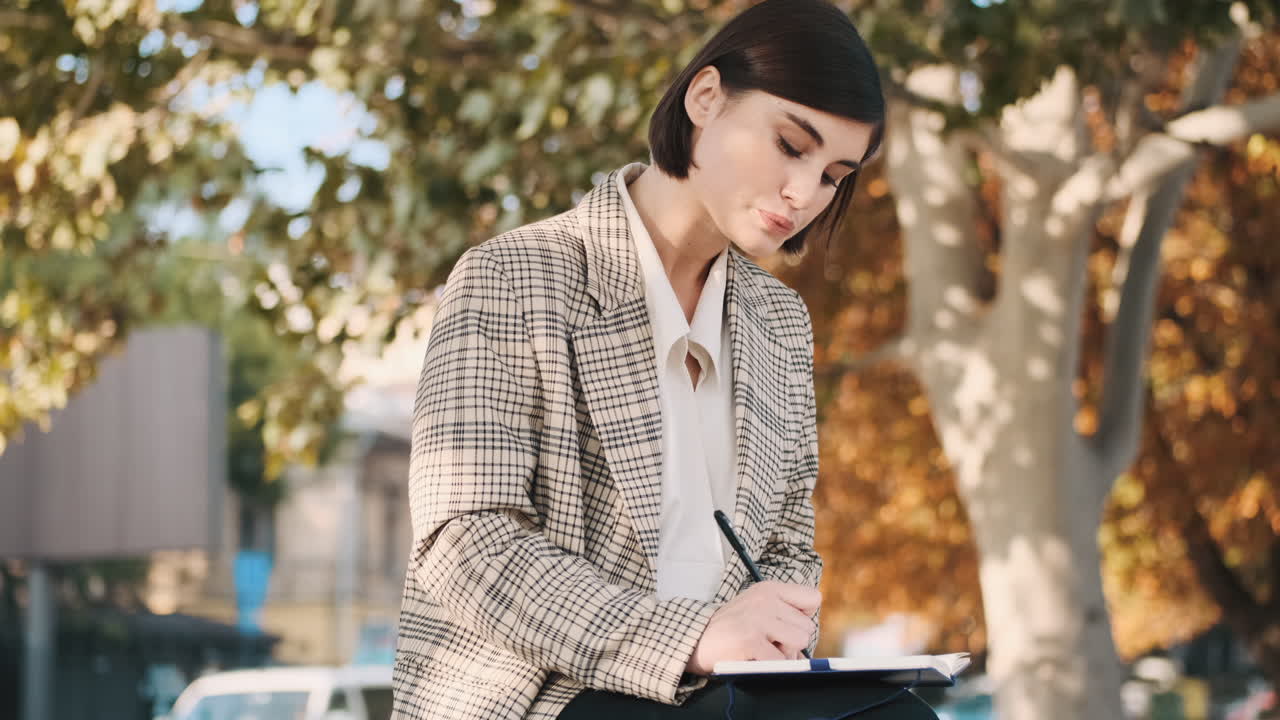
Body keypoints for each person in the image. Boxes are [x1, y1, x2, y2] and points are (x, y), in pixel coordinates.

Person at [392, 1, 937, 718]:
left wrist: (771, 628)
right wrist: (693, 636)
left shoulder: (779, 323)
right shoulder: (514, 276)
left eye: (835, 174)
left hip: (722, 695)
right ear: (706, 98)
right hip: (547, 694)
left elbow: (785, 546)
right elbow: (466, 545)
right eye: (790, 145)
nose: (804, 194)